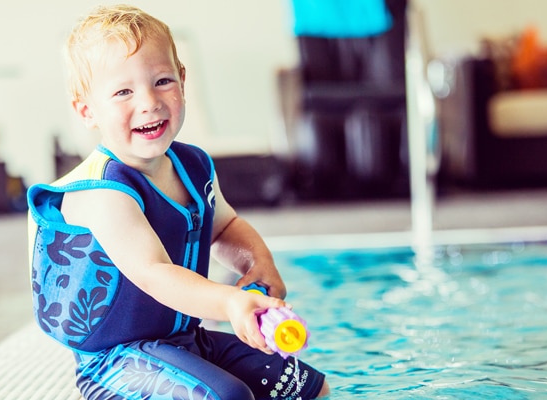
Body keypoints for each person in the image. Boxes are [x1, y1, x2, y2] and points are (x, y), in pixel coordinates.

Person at [26, 4, 329, 399]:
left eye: (162, 81)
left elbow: (225, 227)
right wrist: (231, 303)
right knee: (228, 397)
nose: (149, 102)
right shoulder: (102, 192)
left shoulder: (193, 164)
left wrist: (258, 264)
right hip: (117, 362)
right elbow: (154, 273)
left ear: (183, 81)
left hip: (187, 340)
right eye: (123, 92)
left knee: (309, 388)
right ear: (87, 110)